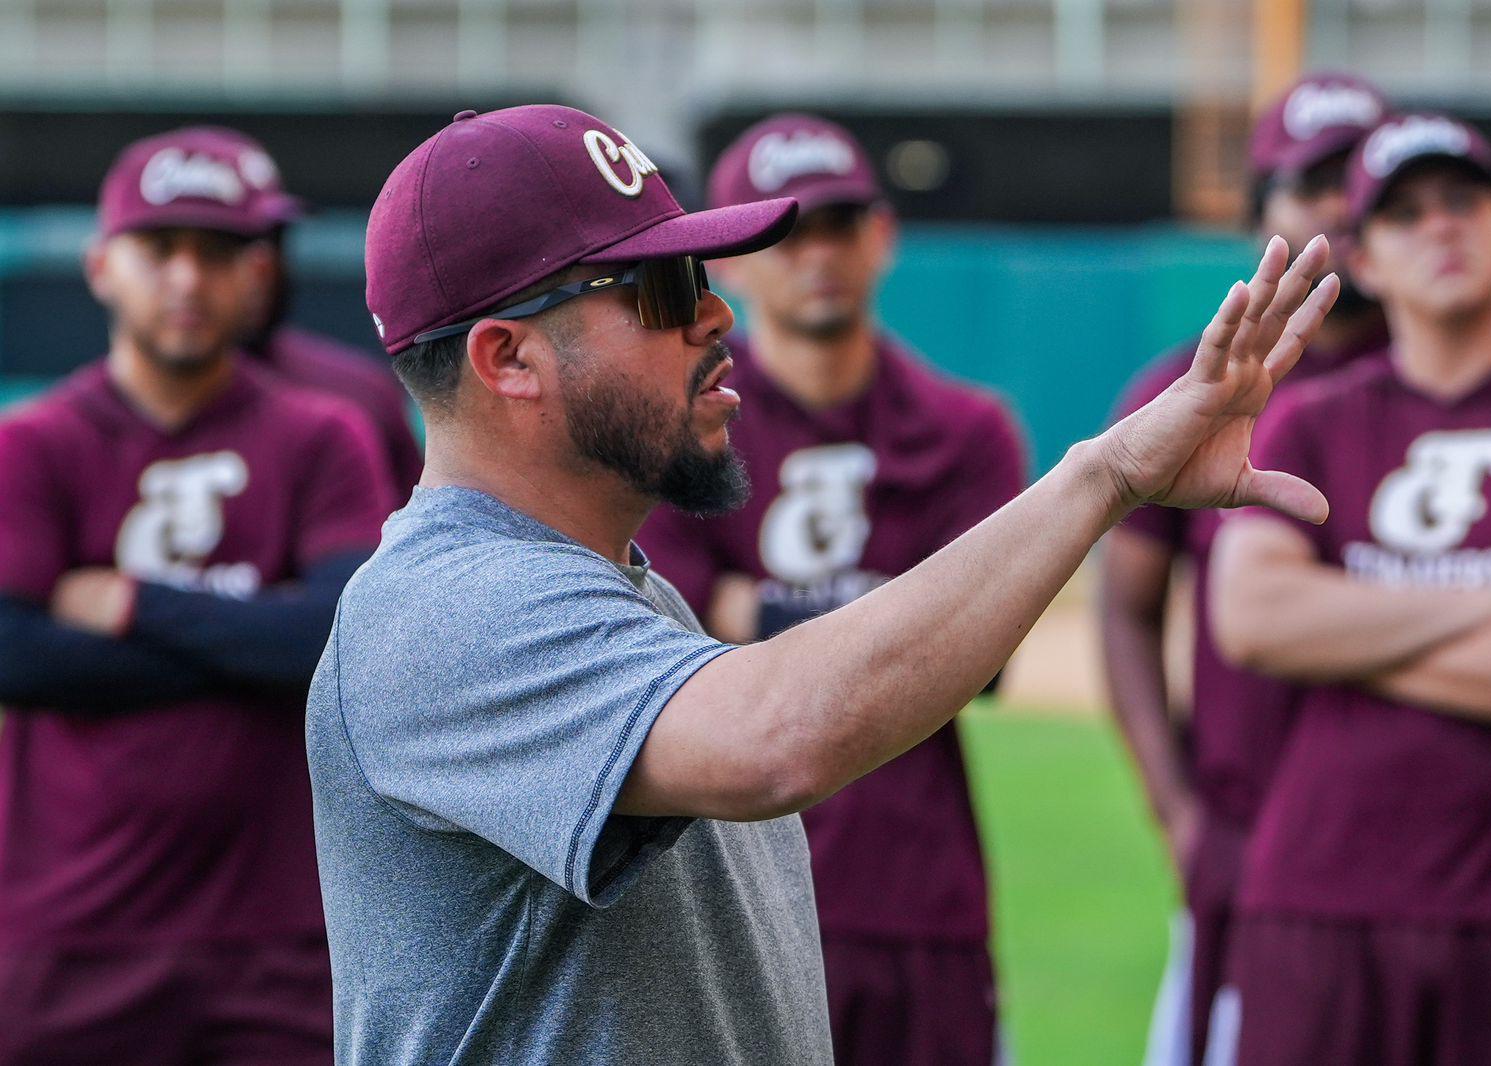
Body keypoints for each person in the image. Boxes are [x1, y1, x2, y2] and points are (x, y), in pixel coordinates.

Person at [308, 102, 1338, 1065]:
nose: (713, 316)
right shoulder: (440, 605)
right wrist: (1100, 478)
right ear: (509, 359)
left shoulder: (635, 600)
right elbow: (776, 737)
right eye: (660, 291)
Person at [634, 112, 1025, 1065]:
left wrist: (752, 609)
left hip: (915, 892)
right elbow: (676, 635)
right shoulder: (671, 435)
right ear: (726, 261)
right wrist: (909, 612)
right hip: (729, 890)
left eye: (840, 225)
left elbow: (983, 662)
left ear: (882, 238)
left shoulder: (968, 429)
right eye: (785, 232)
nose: (817, 255)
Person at [1209, 113, 1491, 1066]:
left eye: (1463, 202)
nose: (1441, 229)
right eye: (1405, 214)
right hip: (1318, 901)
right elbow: (1255, 620)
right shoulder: (1305, 422)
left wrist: (1348, 631)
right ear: (1368, 258)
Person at [0, 128, 393, 1064]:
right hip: (72, 934)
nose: (187, 278)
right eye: (159, 248)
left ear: (258, 274)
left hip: (288, 934)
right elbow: (15, 654)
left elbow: (343, 643)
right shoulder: (36, 443)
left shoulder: (323, 435)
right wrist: (251, 640)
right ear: (101, 266)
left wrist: (138, 606)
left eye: (217, 253)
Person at [1097, 71, 1389, 1066]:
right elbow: (1125, 610)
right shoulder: (1184, 390)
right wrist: (1176, 812)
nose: (1343, 209)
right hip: (1249, 834)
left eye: (1364, 181)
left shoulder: (1464, 386)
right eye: (1312, 184)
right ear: (1259, 210)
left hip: (1429, 843)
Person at [208, 127, 425, 507]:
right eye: (221, 251)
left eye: (272, 242)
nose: (261, 269)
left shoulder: (358, 391)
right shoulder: (113, 412)